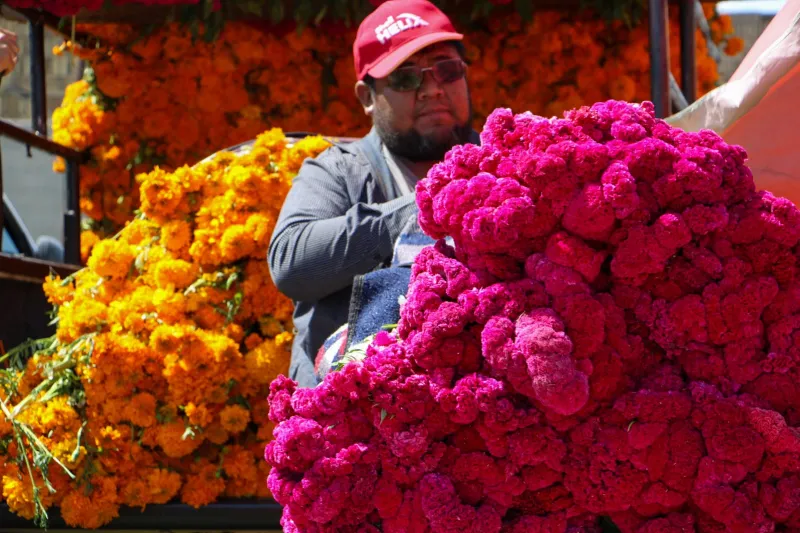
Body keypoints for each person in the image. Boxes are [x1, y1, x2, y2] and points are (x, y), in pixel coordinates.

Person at [268, 0, 478, 388]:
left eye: (447, 71)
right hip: (357, 430)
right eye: (406, 78)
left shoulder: (503, 165)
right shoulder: (336, 172)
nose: (432, 89)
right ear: (367, 97)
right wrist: (418, 210)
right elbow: (291, 263)